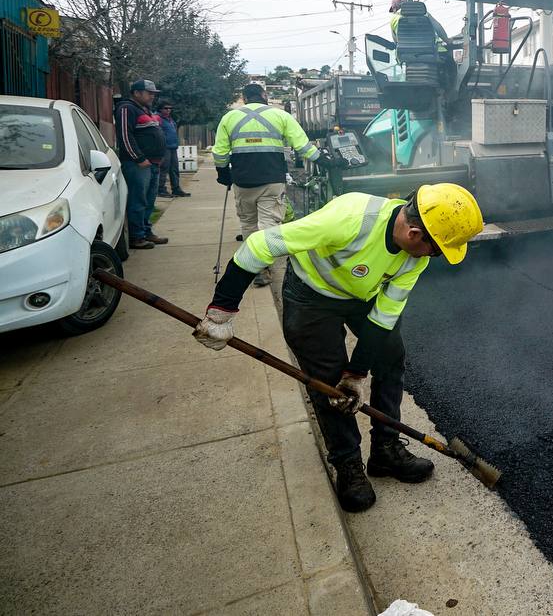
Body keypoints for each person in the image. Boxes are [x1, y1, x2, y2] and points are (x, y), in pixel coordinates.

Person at [193, 183, 485, 513]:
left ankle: (385, 449)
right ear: (415, 233)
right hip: (311, 298)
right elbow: (259, 246)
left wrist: (357, 373)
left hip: (362, 297)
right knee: (328, 383)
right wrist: (221, 312)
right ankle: (347, 464)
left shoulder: (416, 257)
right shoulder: (349, 218)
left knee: (391, 357)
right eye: (436, 250)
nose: (436, 257)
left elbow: (383, 317)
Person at [212, 83, 322, 287]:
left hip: (243, 181)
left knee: (248, 224)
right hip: (272, 179)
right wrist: (324, 160)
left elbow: (219, 152)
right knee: (269, 225)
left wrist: (222, 172)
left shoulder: (229, 118)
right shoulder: (281, 116)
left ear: (244, 98)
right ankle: (263, 268)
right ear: (264, 95)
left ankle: (255, 267)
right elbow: (303, 146)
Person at [114, 79, 170, 249]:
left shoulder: (144, 109)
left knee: (149, 200)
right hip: (137, 165)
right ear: (137, 93)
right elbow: (125, 136)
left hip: (152, 164)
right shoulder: (126, 108)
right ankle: (136, 237)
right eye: (149, 93)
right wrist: (138, 158)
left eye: (154, 93)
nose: (152, 96)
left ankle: (146, 231)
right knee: (137, 201)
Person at [156, 104, 189, 198]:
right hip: (164, 148)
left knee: (174, 169)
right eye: (165, 108)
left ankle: (176, 189)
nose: (168, 110)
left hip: (173, 147)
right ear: (160, 109)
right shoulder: (158, 118)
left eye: (170, 108)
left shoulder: (170, 119)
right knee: (164, 168)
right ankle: (161, 189)